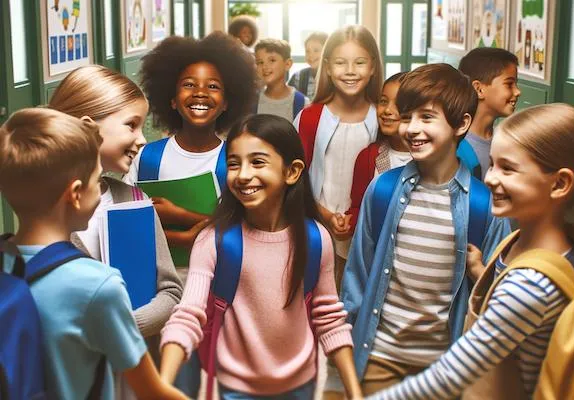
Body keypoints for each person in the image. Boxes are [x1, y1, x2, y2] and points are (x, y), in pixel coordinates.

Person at [367, 103, 574, 399]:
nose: (490, 178)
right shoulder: (522, 241)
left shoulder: (531, 285)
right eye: (492, 163)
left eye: (508, 169)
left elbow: (448, 378)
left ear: (560, 183)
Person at [326, 64, 511, 398]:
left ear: (461, 124)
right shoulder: (382, 189)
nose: (411, 128)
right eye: (407, 116)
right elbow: (357, 275)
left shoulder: (484, 205)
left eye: (427, 117)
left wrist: (480, 272)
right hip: (379, 356)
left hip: (446, 365)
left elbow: (502, 294)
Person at [159, 114, 362, 399]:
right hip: (235, 389)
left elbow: (328, 318)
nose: (242, 174)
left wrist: (354, 391)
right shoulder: (214, 240)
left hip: (300, 385)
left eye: (257, 162)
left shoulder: (316, 239)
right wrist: (162, 385)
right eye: (233, 163)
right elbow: (189, 316)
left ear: (292, 172)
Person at [0, 108, 186, 400]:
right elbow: (152, 391)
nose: (100, 191)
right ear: (75, 193)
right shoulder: (98, 285)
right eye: (97, 179)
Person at [122, 31, 257, 397]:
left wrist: (181, 224)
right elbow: (127, 222)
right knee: (170, 377)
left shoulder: (235, 158)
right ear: (171, 97)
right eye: (188, 85)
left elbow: (248, 229)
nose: (200, 92)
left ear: (228, 101)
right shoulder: (146, 157)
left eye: (213, 86)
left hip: (223, 291)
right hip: (156, 292)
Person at [48, 64, 183, 399]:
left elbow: (170, 291)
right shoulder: (45, 210)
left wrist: (119, 329)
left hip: (130, 378)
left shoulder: (136, 200)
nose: (141, 139)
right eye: (131, 125)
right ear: (88, 128)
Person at [293, 25, 383, 287]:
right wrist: (326, 215)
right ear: (328, 67)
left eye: (360, 62)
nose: (351, 71)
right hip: (316, 227)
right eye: (341, 63)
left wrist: (353, 219)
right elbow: (295, 177)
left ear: (373, 67)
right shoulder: (310, 118)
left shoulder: (383, 119)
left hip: (368, 232)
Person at [345, 72, 411, 234]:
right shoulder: (368, 157)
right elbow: (358, 208)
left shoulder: (430, 159)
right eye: (383, 101)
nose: (387, 110)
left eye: (399, 103)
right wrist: (347, 223)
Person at [457, 47, 521, 179]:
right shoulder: (456, 149)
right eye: (509, 84)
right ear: (479, 89)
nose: (517, 91)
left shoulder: (507, 140)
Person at [255, 38, 309, 122]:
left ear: (287, 64)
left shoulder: (302, 104)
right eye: (260, 62)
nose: (265, 67)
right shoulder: (251, 102)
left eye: (272, 60)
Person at [288, 31, 328, 99]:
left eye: (316, 50)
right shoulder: (297, 77)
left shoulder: (335, 77)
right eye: (307, 51)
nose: (311, 55)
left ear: (327, 51)